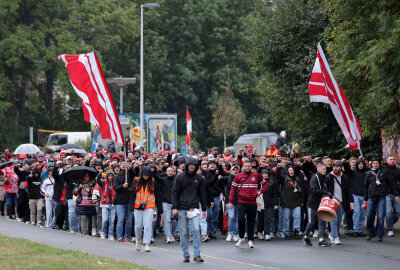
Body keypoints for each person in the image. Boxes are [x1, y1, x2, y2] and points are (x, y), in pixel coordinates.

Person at [172, 158, 207, 263]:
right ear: (186, 165)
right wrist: (174, 207)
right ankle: (186, 254)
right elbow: (175, 192)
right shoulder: (179, 177)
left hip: (194, 207)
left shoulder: (199, 178)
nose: (192, 166)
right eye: (190, 165)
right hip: (182, 207)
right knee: (183, 232)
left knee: (196, 229)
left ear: (196, 166)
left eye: (194, 165)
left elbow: (202, 194)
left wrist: (204, 209)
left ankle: (197, 254)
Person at [228, 160, 268, 248]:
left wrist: (260, 192)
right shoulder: (238, 176)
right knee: (241, 219)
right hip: (241, 202)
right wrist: (230, 201)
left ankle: (250, 241)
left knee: (251, 222)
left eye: (249, 166)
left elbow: (265, 184)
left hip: (252, 202)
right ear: (243, 167)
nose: (247, 168)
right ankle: (241, 237)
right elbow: (233, 189)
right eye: (246, 166)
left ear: (251, 166)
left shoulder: (257, 175)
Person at [364, 157, 397, 241]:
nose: (375, 164)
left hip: (381, 197)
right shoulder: (368, 173)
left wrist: (396, 194)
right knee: (369, 216)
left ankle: (380, 234)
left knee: (381, 216)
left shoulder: (384, 172)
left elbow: (391, 183)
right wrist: (365, 198)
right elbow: (366, 186)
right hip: (371, 197)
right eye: (374, 163)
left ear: (379, 164)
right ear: (371, 164)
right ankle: (371, 233)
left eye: (377, 163)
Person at [303, 164, 331, 247]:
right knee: (311, 222)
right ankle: (305, 236)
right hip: (312, 204)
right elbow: (315, 190)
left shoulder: (325, 178)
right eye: (323, 169)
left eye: (325, 169)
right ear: (318, 169)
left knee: (322, 221)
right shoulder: (314, 178)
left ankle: (321, 239)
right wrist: (326, 193)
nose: (325, 170)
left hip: (321, 203)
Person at [326, 161, 353, 245]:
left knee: (338, 220)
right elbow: (325, 189)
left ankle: (331, 234)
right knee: (333, 219)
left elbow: (349, 190)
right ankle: (335, 237)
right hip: (332, 201)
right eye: (334, 166)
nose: (335, 168)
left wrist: (351, 201)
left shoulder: (345, 177)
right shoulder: (329, 177)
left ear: (340, 167)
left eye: (337, 166)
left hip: (341, 202)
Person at [134, 166, 156, 252]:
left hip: (149, 206)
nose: (146, 177)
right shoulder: (136, 181)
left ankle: (147, 244)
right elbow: (133, 193)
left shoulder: (153, 182)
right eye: (144, 175)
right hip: (138, 206)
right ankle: (138, 239)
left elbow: (157, 193)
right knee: (138, 226)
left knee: (147, 225)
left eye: (148, 175)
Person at [113, 161, 135, 242]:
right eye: (122, 164)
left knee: (128, 220)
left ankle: (127, 236)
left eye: (125, 164)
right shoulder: (117, 177)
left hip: (129, 200)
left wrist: (129, 168)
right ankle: (119, 236)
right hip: (120, 202)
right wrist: (123, 186)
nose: (124, 165)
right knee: (120, 219)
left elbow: (134, 174)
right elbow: (116, 188)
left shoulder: (129, 174)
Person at [155, 166, 177, 243]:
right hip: (166, 203)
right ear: (166, 172)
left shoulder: (177, 180)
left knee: (174, 220)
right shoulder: (163, 180)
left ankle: (173, 234)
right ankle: (168, 235)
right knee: (167, 220)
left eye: (172, 170)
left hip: (175, 203)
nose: (170, 172)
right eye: (168, 171)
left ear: (174, 172)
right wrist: (154, 170)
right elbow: (156, 177)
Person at [257, 169, 277, 240]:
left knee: (268, 219)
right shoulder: (258, 182)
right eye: (264, 173)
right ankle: (259, 232)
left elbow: (274, 194)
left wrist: (275, 204)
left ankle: (267, 234)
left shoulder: (271, 182)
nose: (265, 175)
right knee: (260, 219)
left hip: (269, 203)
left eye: (266, 173)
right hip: (259, 203)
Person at [96, 171, 116, 240]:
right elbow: (98, 180)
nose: (110, 177)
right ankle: (103, 232)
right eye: (109, 176)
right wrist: (100, 174)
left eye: (111, 176)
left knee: (112, 221)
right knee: (105, 219)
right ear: (107, 176)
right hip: (105, 204)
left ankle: (110, 234)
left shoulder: (114, 183)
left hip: (113, 204)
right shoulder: (103, 182)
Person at [383, 156, 400, 237]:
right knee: (388, 212)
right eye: (390, 159)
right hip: (387, 194)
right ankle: (390, 229)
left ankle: (389, 223)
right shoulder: (384, 169)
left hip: (396, 194)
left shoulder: (397, 170)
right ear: (387, 161)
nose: (392, 161)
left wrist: (397, 193)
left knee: (397, 212)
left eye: (393, 159)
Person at [41, 162, 57, 228]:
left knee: (56, 213)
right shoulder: (45, 180)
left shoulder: (57, 179)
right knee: (49, 212)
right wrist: (45, 193)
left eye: (52, 171)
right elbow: (41, 189)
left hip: (55, 197)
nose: (51, 173)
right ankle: (49, 225)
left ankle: (53, 224)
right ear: (48, 172)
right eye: (50, 171)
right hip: (48, 197)